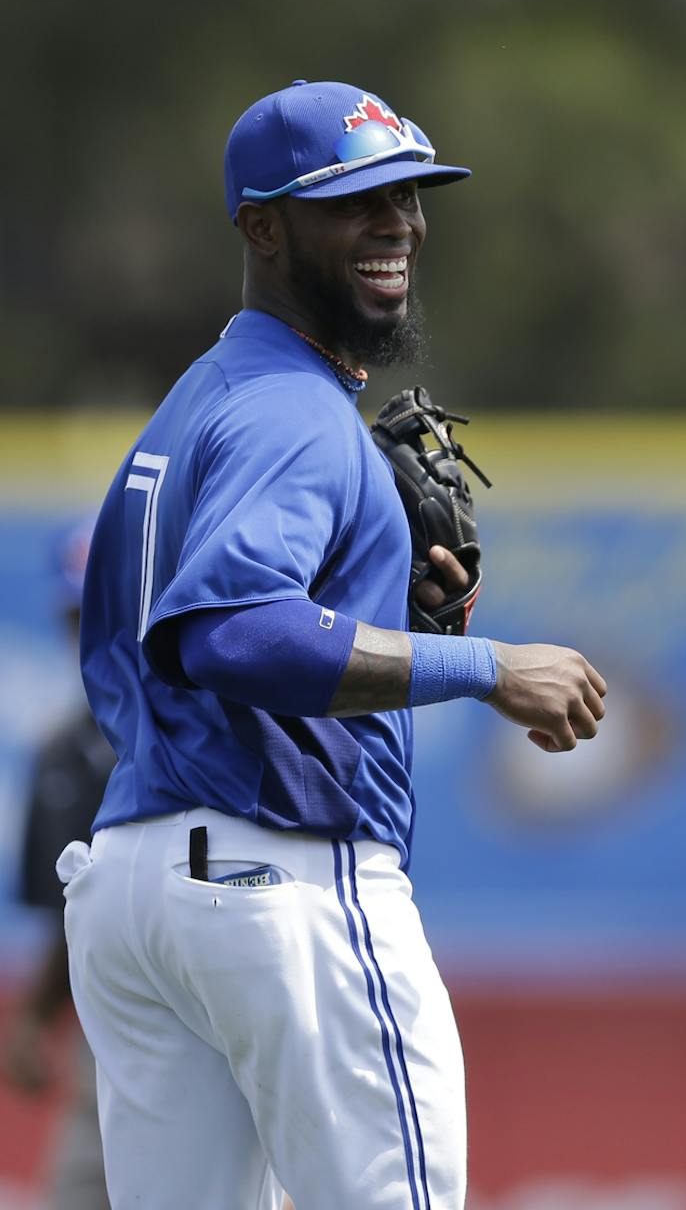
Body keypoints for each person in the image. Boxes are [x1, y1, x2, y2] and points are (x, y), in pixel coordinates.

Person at [63, 79, 608, 1210]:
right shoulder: (297, 414)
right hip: (279, 876)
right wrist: (489, 667)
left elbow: (192, 638)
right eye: (354, 200)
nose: (398, 222)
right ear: (262, 226)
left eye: (407, 196)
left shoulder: (201, 401)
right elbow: (235, 631)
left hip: (137, 885)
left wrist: (385, 613)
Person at [0, 521, 117, 1210]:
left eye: (110, 605)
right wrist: (34, 1017)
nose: (96, 629)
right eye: (79, 614)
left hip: (226, 1024)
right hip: (111, 1037)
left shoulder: (223, 725)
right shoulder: (60, 755)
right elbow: (73, 923)